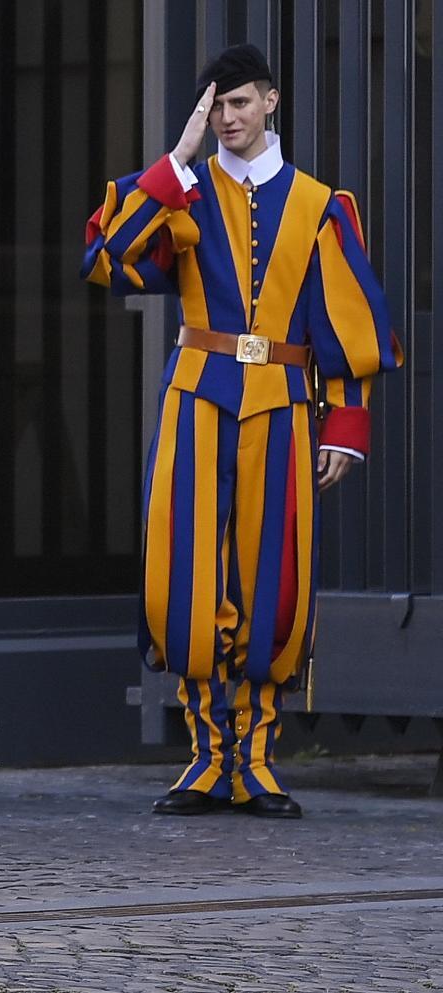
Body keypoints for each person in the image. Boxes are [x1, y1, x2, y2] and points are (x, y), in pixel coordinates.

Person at [82, 45, 402, 818]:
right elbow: (105, 255)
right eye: (215, 107)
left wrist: (346, 422)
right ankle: (205, 758)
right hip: (197, 396)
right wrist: (177, 158)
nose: (228, 118)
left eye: (239, 104)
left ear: (272, 101)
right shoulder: (182, 196)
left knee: (273, 581)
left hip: (285, 402)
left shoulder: (320, 204)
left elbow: (347, 320)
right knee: (186, 577)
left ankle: (255, 761)